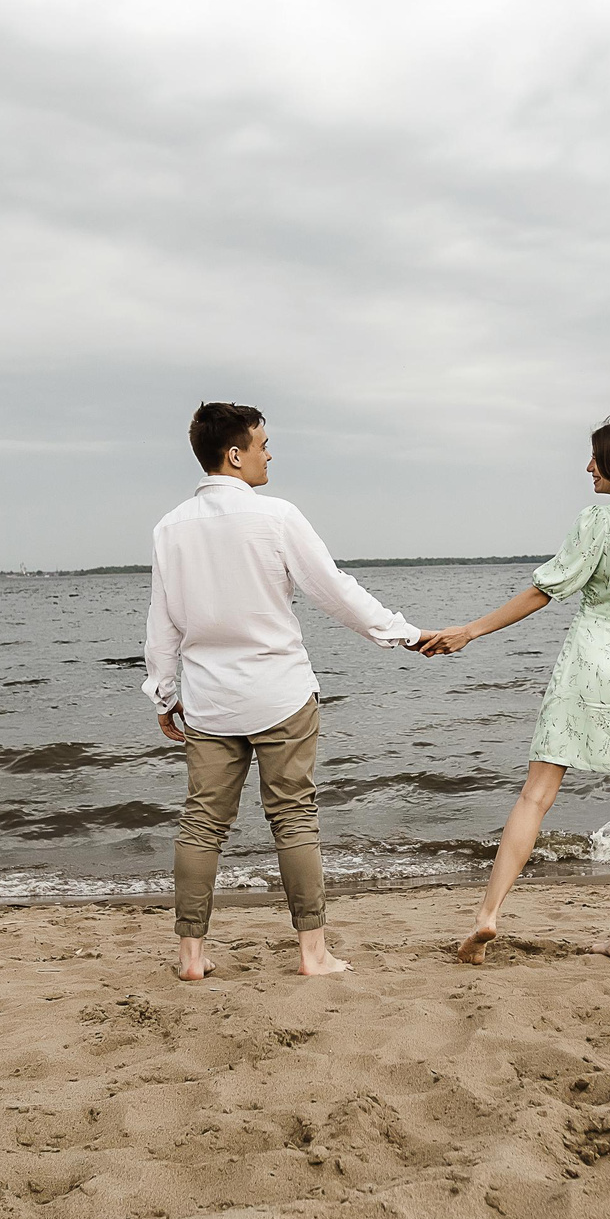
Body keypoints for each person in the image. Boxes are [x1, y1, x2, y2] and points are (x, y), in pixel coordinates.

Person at [143, 402, 432, 982]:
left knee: (202, 824)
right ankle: (312, 953)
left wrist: (164, 694)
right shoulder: (276, 517)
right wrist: (404, 633)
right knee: (294, 819)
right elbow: (335, 591)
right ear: (235, 454)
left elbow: (164, 622)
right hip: (280, 693)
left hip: (209, 701)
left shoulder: (169, 528)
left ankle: (191, 957)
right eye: (262, 444)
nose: (268, 454)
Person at [419, 416, 610, 963]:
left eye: (596, 458)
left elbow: (543, 590)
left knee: (536, 795)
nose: (588, 467)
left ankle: (488, 915)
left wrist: (470, 630)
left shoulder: (598, 522)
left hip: (586, 666)